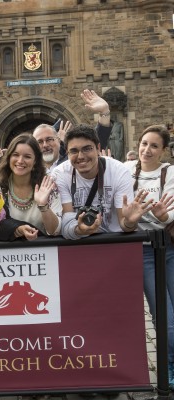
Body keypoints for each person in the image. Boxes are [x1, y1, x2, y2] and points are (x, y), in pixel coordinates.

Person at [124, 125, 174, 388]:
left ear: (163, 151)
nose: (147, 150)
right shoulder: (126, 171)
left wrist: (163, 216)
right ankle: (169, 365)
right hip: (143, 250)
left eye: (154, 146)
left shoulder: (170, 173)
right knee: (163, 313)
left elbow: (171, 211)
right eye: (144, 143)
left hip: (169, 247)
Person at [52, 124, 153, 240]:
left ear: (98, 148)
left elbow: (125, 226)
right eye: (74, 151)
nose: (80, 156)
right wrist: (79, 230)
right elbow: (67, 223)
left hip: (113, 241)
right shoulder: (60, 174)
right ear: (67, 153)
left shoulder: (118, 171)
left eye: (87, 149)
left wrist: (129, 222)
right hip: (79, 242)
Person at [0, 133, 61, 241]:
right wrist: (17, 229)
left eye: (27, 156)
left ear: (35, 161)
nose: (20, 161)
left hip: (44, 249)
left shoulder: (48, 185)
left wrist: (43, 206)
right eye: (16, 155)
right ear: (9, 157)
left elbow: (54, 231)